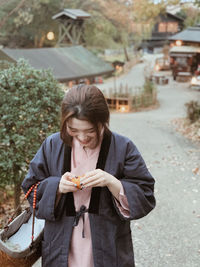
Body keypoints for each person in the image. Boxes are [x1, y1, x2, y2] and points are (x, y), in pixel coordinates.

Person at [22, 84, 156, 267]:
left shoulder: (123, 147)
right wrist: (57, 187)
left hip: (107, 244)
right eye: (74, 130)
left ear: (102, 122)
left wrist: (112, 183)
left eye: (90, 131)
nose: (82, 137)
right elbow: (31, 188)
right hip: (60, 243)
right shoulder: (52, 145)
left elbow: (145, 193)